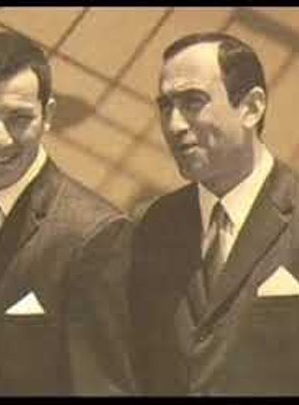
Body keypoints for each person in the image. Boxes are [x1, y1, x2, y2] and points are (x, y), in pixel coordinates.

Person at [0, 31, 134, 395]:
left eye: (19, 119)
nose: (0, 139)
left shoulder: (96, 233)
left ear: (47, 115)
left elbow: (103, 386)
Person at [130, 32, 299, 395]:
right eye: (166, 107)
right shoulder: (152, 225)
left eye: (193, 102)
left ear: (252, 107)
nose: (174, 125)